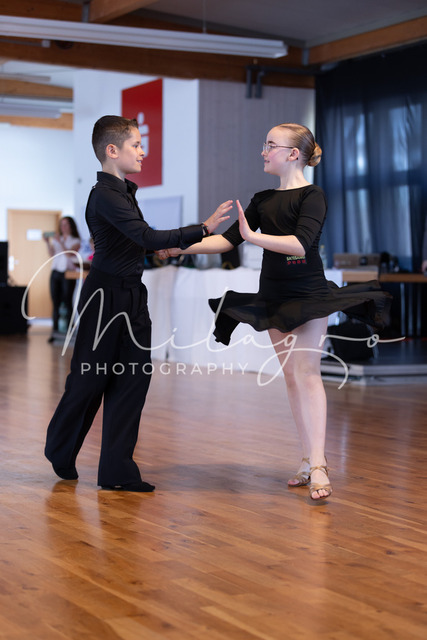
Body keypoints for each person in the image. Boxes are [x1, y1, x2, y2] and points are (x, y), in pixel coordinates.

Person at [158, 122, 391, 501]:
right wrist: (178, 246)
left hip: (308, 293)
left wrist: (253, 236)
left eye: (271, 145)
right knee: (292, 378)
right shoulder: (263, 199)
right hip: (273, 294)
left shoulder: (313, 195)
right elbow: (226, 241)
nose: (263, 152)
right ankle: (307, 459)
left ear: (293, 154)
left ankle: (319, 463)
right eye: (264, 145)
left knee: (307, 373)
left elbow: (300, 244)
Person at [45, 115, 232, 492]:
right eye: (136, 145)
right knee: (89, 380)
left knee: (132, 380)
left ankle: (117, 471)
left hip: (132, 295)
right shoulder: (105, 194)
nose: (143, 152)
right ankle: (59, 448)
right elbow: (144, 235)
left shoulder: (123, 192)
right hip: (104, 299)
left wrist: (156, 250)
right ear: (112, 151)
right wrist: (202, 228)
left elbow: (134, 241)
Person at [44, 216, 81, 342]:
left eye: (65, 224)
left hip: (68, 274)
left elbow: (69, 254)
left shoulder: (75, 240)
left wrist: (60, 242)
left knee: (67, 301)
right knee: (55, 303)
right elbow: (51, 254)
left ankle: (70, 332)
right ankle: (54, 332)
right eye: (62, 224)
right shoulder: (57, 240)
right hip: (55, 273)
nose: (63, 227)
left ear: (71, 226)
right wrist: (47, 242)